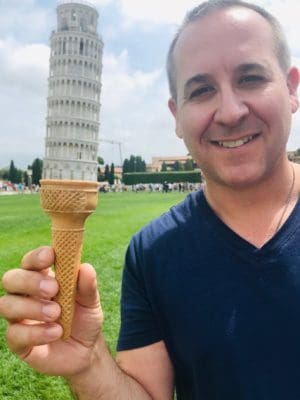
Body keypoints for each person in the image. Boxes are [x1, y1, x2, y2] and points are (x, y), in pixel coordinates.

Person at [0, 0, 299, 398]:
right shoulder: (153, 253)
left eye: (250, 78)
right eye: (202, 89)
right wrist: (89, 364)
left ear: (292, 87)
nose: (229, 111)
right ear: (176, 115)